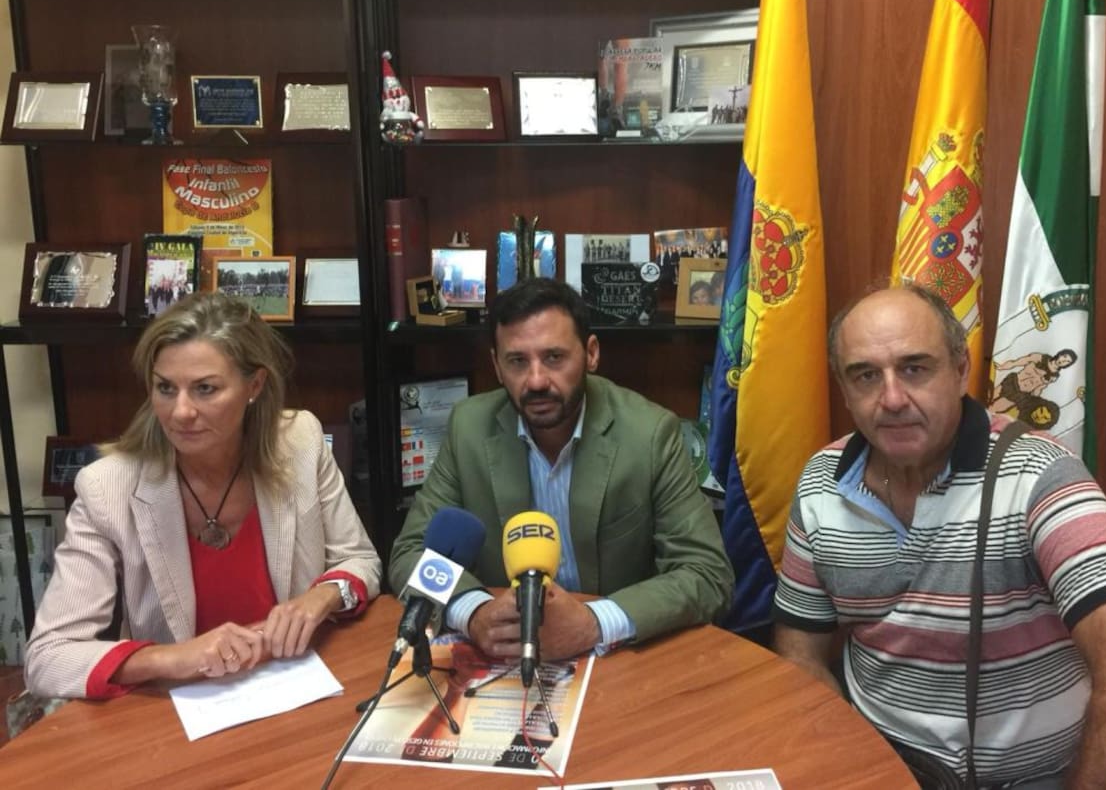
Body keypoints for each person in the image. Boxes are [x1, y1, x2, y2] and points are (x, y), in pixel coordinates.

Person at [772, 283, 1106, 788]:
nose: (892, 399)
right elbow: (800, 655)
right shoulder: (821, 480)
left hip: (1035, 777)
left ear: (960, 370)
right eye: (866, 375)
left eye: (915, 368)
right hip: (878, 764)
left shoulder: (1040, 475)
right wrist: (847, 766)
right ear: (844, 389)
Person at [25, 292, 381, 700]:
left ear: (255, 385)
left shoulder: (300, 440)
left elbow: (360, 560)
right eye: (165, 388)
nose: (180, 412)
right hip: (179, 707)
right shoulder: (107, 486)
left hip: (295, 686)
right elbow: (47, 658)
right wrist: (174, 658)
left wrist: (322, 597)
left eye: (205, 389)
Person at [388, 278, 732, 662]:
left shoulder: (650, 434)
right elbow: (411, 553)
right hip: (505, 654)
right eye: (518, 361)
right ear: (497, 366)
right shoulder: (468, 428)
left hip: (617, 658)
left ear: (591, 354)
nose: (536, 381)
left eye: (554, 357)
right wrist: (472, 611)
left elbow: (707, 573)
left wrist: (594, 622)